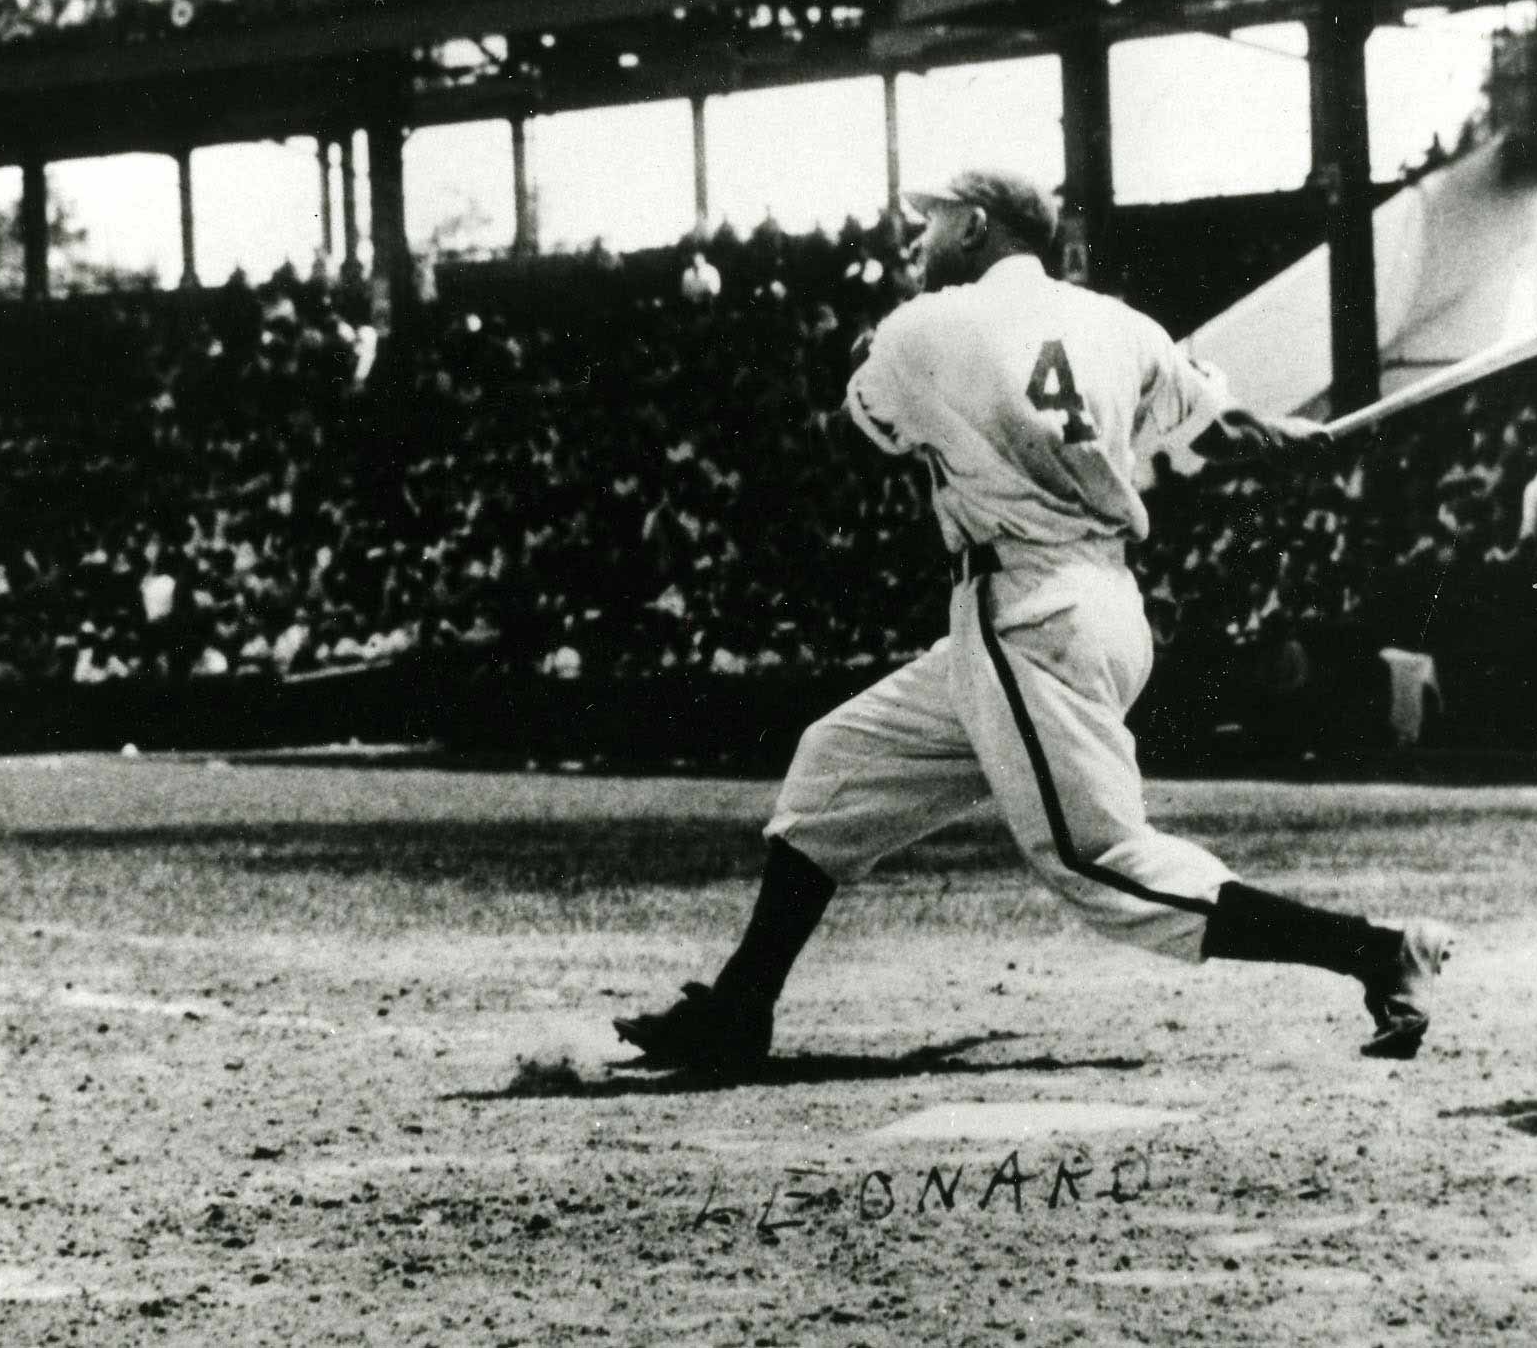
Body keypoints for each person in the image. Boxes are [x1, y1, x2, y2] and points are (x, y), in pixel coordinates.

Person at [614, 169, 1454, 1074]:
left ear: (976, 225)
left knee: (1100, 862)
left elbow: (863, 420)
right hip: (1076, 607)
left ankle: (1376, 950)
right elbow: (1222, 426)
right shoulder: (1120, 323)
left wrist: (879, 344)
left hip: (1031, 612)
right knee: (836, 765)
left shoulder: (924, 325)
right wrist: (1279, 434)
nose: (916, 243)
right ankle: (740, 1008)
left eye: (929, 224)